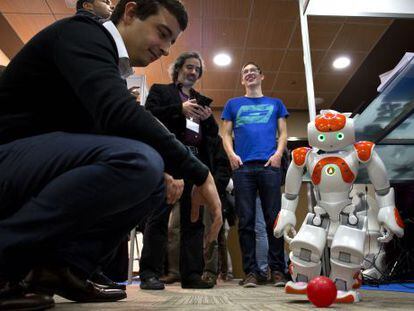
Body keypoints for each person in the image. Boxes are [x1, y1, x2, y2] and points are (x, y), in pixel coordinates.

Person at [0, 1, 222, 310]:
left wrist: (167, 171)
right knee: (140, 163)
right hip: (8, 159)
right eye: (162, 33)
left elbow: (101, 130)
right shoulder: (82, 34)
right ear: (130, 13)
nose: (167, 48)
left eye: (172, 41)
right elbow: (118, 113)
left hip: (29, 163)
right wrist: (199, 171)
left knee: (156, 184)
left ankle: (62, 268)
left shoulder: (105, 59)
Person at [142, 51, 221, 289]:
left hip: (194, 162)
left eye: (197, 69)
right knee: (158, 216)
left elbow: (213, 136)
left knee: (193, 220)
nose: (193, 72)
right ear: (178, 69)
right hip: (168, 159)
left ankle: (191, 275)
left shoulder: (201, 99)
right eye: (189, 67)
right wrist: (179, 108)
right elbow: (148, 116)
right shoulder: (160, 91)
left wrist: (207, 120)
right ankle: (149, 274)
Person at [221, 62, 289, 288]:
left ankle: (277, 270)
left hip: (270, 165)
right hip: (243, 168)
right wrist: (231, 155)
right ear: (242, 80)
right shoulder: (233, 104)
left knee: (274, 220)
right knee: (246, 222)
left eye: (253, 71)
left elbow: (283, 133)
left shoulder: (276, 103)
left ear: (262, 76)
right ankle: (251, 272)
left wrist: (279, 155)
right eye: (245, 72)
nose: (249, 74)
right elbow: (226, 134)